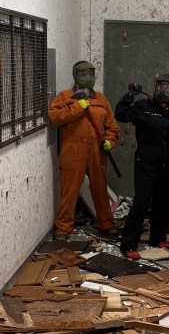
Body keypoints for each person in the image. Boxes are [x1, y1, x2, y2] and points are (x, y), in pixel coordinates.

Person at [115, 74, 169, 259]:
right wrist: (129, 95)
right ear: (154, 87)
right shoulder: (143, 107)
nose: (163, 90)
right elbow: (120, 114)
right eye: (160, 85)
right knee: (142, 203)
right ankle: (128, 245)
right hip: (146, 162)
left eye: (167, 87)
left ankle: (158, 237)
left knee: (163, 202)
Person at [49, 60, 120, 240]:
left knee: (100, 190)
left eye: (90, 73)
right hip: (73, 149)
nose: (87, 77)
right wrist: (78, 106)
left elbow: (113, 127)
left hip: (97, 150)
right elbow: (55, 117)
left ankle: (106, 224)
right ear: (75, 76)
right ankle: (63, 229)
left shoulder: (101, 99)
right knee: (69, 191)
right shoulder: (65, 97)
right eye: (83, 74)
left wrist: (110, 142)